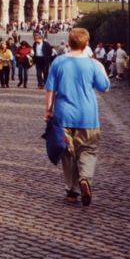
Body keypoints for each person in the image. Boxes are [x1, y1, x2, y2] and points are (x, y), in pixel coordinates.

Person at [44, 28, 110, 207]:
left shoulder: (58, 62)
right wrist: (101, 67)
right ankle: (85, 179)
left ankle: (72, 190)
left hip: (64, 114)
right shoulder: (92, 65)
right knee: (88, 150)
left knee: (67, 152)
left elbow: (50, 89)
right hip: (88, 115)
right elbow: (104, 86)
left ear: (69, 41)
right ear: (87, 44)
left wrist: (48, 110)